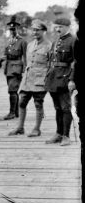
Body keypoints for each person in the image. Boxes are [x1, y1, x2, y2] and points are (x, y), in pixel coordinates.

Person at [8, 20, 50, 137]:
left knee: (38, 104)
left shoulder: (49, 46)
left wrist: (47, 80)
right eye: (33, 30)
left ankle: (37, 129)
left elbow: (51, 65)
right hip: (27, 79)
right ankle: (20, 128)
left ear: (44, 31)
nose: (35, 32)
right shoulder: (30, 45)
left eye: (37, 30)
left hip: (40, 80)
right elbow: (27, 62)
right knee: (22, 102)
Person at [44, 10, 77, 146]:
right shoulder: (56, 41)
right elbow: (51, 60)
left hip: (65, 78)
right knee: (57, 107)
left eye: (60, 27)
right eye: (56, 27)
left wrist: (72, 80)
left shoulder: (73, 41)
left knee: (65, 108)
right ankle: (58, 134)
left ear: (67, 27)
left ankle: (66, 136)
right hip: (53, 78)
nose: (58, 29)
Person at [2, 16, 27, 120]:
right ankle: (16, 112)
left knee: (12, 90)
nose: (12, 31)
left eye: (14, 29)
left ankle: (12, 112)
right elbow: (5, 54)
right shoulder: (8, 41)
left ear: (18, 29)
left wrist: (25, 69)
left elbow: (26, 56)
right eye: (11, 29)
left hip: (17, 68)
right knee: (13, 90)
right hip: (8, 67)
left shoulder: (22, 41)